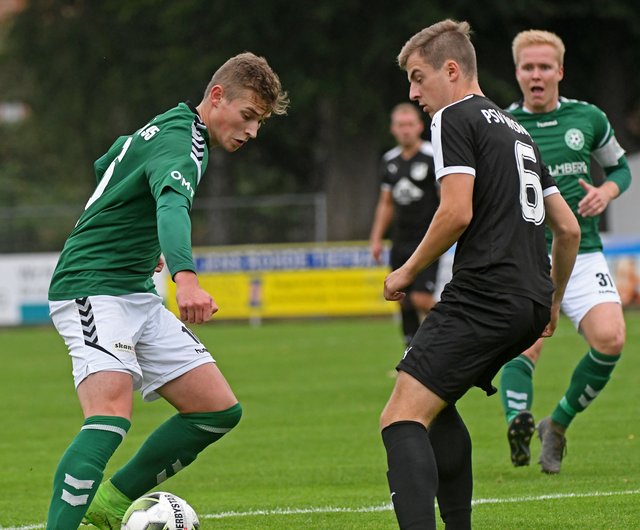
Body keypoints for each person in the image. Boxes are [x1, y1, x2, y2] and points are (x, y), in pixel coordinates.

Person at [45, 52, 289, 530]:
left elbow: (110, 161)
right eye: (247, 116)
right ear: (216, 96)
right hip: (92, 286)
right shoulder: (183, 143)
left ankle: (109, 505)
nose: (252, 132)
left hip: (134, 291)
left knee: (216, 410)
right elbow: (172, 206)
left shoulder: (171, 125)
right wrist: (186, 279)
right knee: (110, 415)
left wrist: (140, 237)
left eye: (259, 122)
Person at [379, 20, 580, 529]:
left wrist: (406, 271)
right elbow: (568, 228)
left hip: (485, 292)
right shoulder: (517, 130)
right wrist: (553, 301)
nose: (413, 93)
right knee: (435, 403)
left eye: (418, 78)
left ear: (451, 70)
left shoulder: (453, 117)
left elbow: (455, 212)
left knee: (400, 416)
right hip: (528, 300)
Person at [499, 30, 632, 473]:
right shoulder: (501, 126)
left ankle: (555, 424)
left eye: (544, 67)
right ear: (517, 73)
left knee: (611, 339)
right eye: (528, 67)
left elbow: (620, 168)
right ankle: (517, 420)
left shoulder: (588, 118)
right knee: (527, 344)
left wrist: (606, 192)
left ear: (560, 70)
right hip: (527, 257)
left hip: (584, 252)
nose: (536, 75)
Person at [369, 103, 440, 346]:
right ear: (393, 129)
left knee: (421, 298)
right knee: (402, 298)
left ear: (419, 127)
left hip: (427, 239)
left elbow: (446, 197)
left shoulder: (432, 155)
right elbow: (386, 203)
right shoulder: (389, 160)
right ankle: (412, 350)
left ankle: (457, 327)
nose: (405, 130)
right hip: (400, 240)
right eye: (401, 125)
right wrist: (376, 238)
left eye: (410, 124)